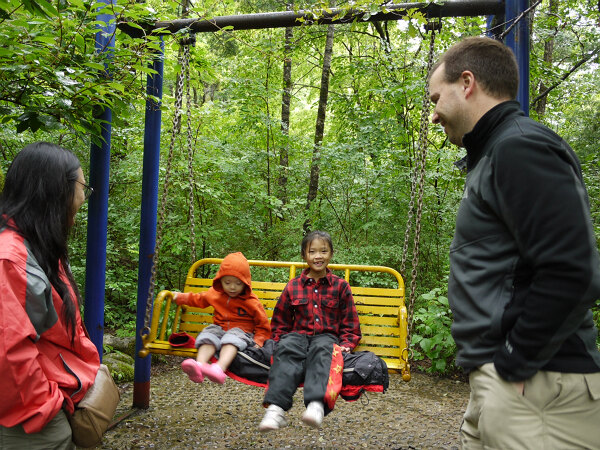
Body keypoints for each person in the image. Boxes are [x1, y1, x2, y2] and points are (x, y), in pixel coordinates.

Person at [428, 36, 600, 448]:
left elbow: (573, 270)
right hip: (512, 381)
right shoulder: (494, 152)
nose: (434, 115)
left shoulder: (519, 147)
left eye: (436, 98)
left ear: (466, 82)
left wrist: (514, 363)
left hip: (537, 385)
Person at [0, 142, 100, 449]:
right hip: (29, 418)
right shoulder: (10, 258)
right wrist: (45, 407)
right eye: (84, 187)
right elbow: (7, 351)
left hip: (49, 397)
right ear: (55, 191)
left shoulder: (38, 246)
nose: (85, 196)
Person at [259, 230, 361, 431]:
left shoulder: (340, 286)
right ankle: (276, 409)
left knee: (324, 351)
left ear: (331, 254)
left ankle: (316, 405)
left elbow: (350, 322)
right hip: (297, 336)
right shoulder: (293, 286)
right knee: (286, 349)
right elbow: (281, 320)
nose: (318, 256)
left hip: (326, 336)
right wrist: (278, 341)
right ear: (304, 255)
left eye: (323, 251)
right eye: (312, 251)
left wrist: (347, 344)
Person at [174, 251, 271, 384]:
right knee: (208, 335)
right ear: (220, 281)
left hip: (242, 331)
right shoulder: (215, 294)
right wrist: (179, 297)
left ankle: (219, 368)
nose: (232, 287)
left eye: (238, 283)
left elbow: (262, 322)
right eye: (227, 282)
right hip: (219, 328)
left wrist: (259, 340)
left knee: (232, 339)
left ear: (245, 283)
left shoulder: (251, 301)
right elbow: (198, 299)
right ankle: (200, 366)